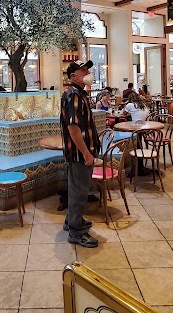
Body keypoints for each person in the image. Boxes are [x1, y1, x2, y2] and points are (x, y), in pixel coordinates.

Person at [60, 59, 100, 248]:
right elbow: (73, 127)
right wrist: (86, 152)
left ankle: (72, 220)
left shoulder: (78, 93)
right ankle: (76, 232)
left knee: (76, 189)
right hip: (79, 154)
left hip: (79, 153)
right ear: (73, 76)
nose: (87, 73)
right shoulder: (74, 95)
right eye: (83, 70)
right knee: (80, 192)